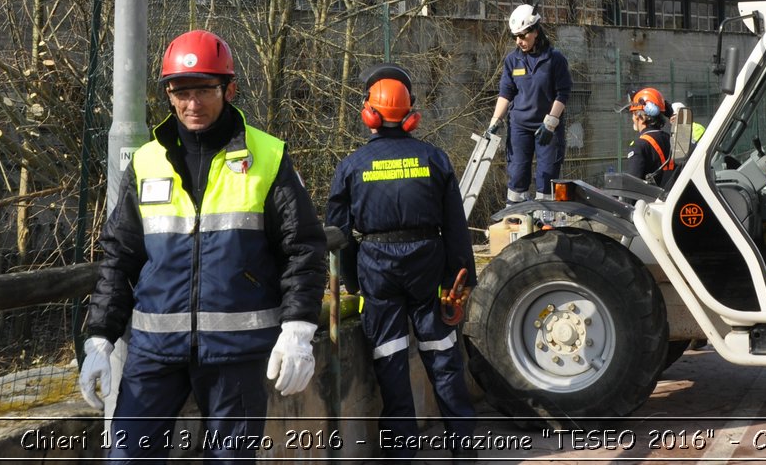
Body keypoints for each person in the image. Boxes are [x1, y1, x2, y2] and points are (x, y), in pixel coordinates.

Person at [79, 30, 328, 463]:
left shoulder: (266, 157)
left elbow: (303, 248)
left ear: (228, 89)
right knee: (126, 457)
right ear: (168, 95)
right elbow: (120, 256)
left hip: (237, 351)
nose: (192, 104)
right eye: (181, 92)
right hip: (153, 352)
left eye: (204, 90)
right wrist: (100, 337)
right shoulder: (146, 161)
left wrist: (298, 330)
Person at [326, 65, 477, 462]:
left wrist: (352, 279)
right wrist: (459, 276)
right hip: (429, 263)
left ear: (369, 115)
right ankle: (464, 450)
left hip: (378, 269)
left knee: (390, 363)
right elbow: (455, 225)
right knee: (444, 358)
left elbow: (338, 234)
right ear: (411, 115)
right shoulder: (435, 158)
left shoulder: (352, 165)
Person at [484, 5, 573, 202]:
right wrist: (494, 122)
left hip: (547, 128)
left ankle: (547, 221)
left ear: (535, 31)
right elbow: (506, 93)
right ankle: (515, 217)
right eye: (515, 37)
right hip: (519, 126)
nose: (519, 41)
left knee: (547, 175)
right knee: (517, 173)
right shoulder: (512, 60)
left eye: (523, 36)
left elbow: (563, 92)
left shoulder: (554, 59)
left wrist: (550, 123)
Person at [623, 87, 676, 186]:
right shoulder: (671, 139)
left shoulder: (639, 146)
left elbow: (632, 188)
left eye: (633, 114)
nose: (633, 119)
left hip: (650, 200)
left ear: (641, 117)